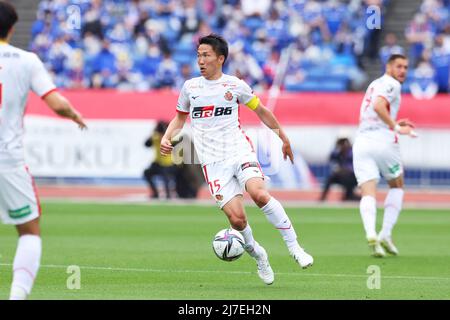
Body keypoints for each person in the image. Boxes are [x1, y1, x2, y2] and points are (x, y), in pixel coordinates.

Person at [160, 34, 313, 285]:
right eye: (198, 55)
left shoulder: (235, 85)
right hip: (212, 163)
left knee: (260, 194)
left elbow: (261, 110)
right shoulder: (190, 88)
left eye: (206, 55)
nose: (201, 60)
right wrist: (168, 138)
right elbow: (179, 118)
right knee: (237, 219)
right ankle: (259, 255)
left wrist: (283, 138)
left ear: (220, 58)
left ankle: (295, 248)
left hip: (239, 151)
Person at [0, 1, 87, 300]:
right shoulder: (26, 60)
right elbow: (55, 102)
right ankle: (16, 297)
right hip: (7, 161)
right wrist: (74, 115)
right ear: (12, 28)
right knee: (29, 231)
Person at [353, 54, 417, 258]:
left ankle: (371, 234)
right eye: (399, 66)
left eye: (406, 67)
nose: (403, 70)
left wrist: (393, 121)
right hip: (383, 141)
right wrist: (396, 126)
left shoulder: (375, 83)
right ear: (388, 67)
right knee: (397, 185)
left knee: (368, 191)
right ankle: (385, 233)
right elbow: (378, 105)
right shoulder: (392, 84)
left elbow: (375, 108)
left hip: (362, 140)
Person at [143, 120, 177, 199]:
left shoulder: (171, 138)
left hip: (169, 164)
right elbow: (147, 144)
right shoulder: (155, 137)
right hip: (157, 163)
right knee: (147, 173)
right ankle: (155, 193)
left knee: (166, 178)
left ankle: (168, 195)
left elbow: (175, 144)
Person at [320, 136, 360, 202]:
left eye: (343, 143)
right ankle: (323, 197)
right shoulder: (338, 153)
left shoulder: (352, 152)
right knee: (331, 178)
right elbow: (331, 158)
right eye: (340, 143)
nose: (341, 145)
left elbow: (351, 169)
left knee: (347, 178)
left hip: (353, 177)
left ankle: (348, 196)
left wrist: (341, 170)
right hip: (342, 176)